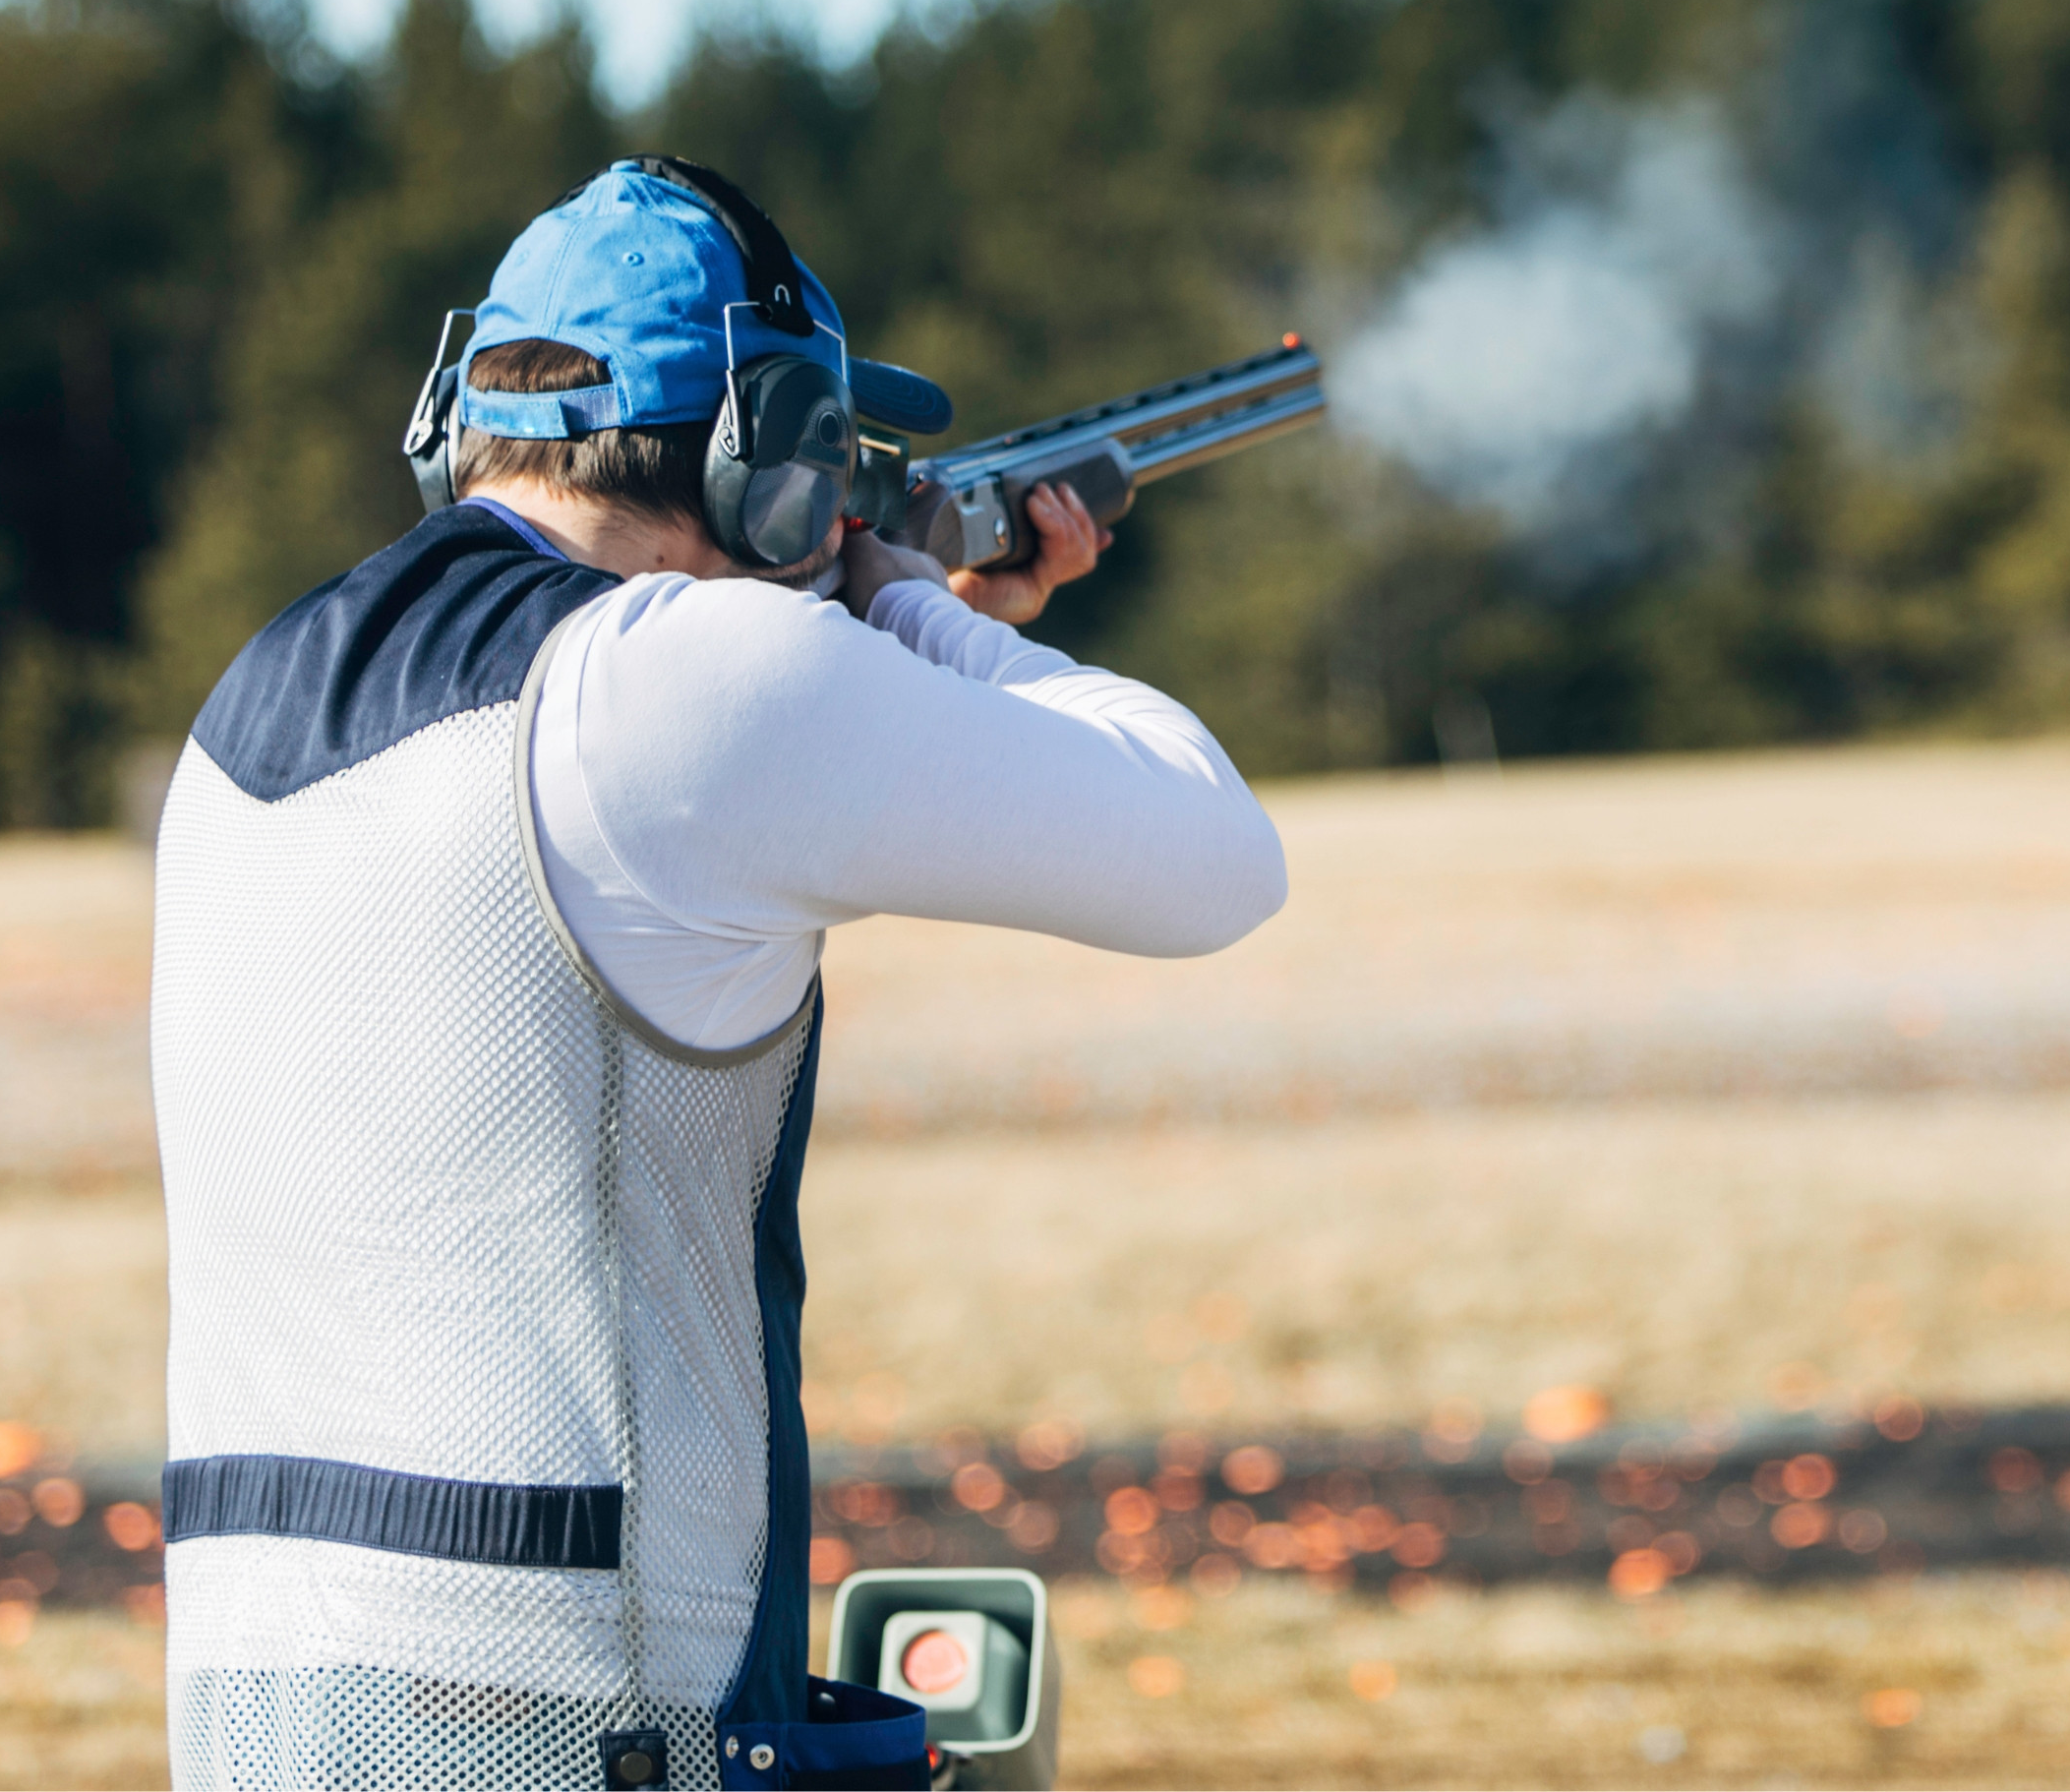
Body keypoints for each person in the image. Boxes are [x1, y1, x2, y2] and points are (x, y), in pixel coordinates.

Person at [150, 156, 1285, 1791]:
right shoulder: (678, 677)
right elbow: (1211, 851)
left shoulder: (253, 702)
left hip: (258, 1708)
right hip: (585, 1711)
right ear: (774, 454)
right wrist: (912, 608)